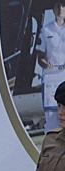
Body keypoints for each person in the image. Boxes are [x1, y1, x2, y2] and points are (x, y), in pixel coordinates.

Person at [37, 2, 65, 131]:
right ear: (53, 9)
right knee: (53, 119)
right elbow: (40, 57)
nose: (60, 9)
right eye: (57, 6)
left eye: (63, 6)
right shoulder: (46, 30)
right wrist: (45, 63)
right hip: (52, 77)